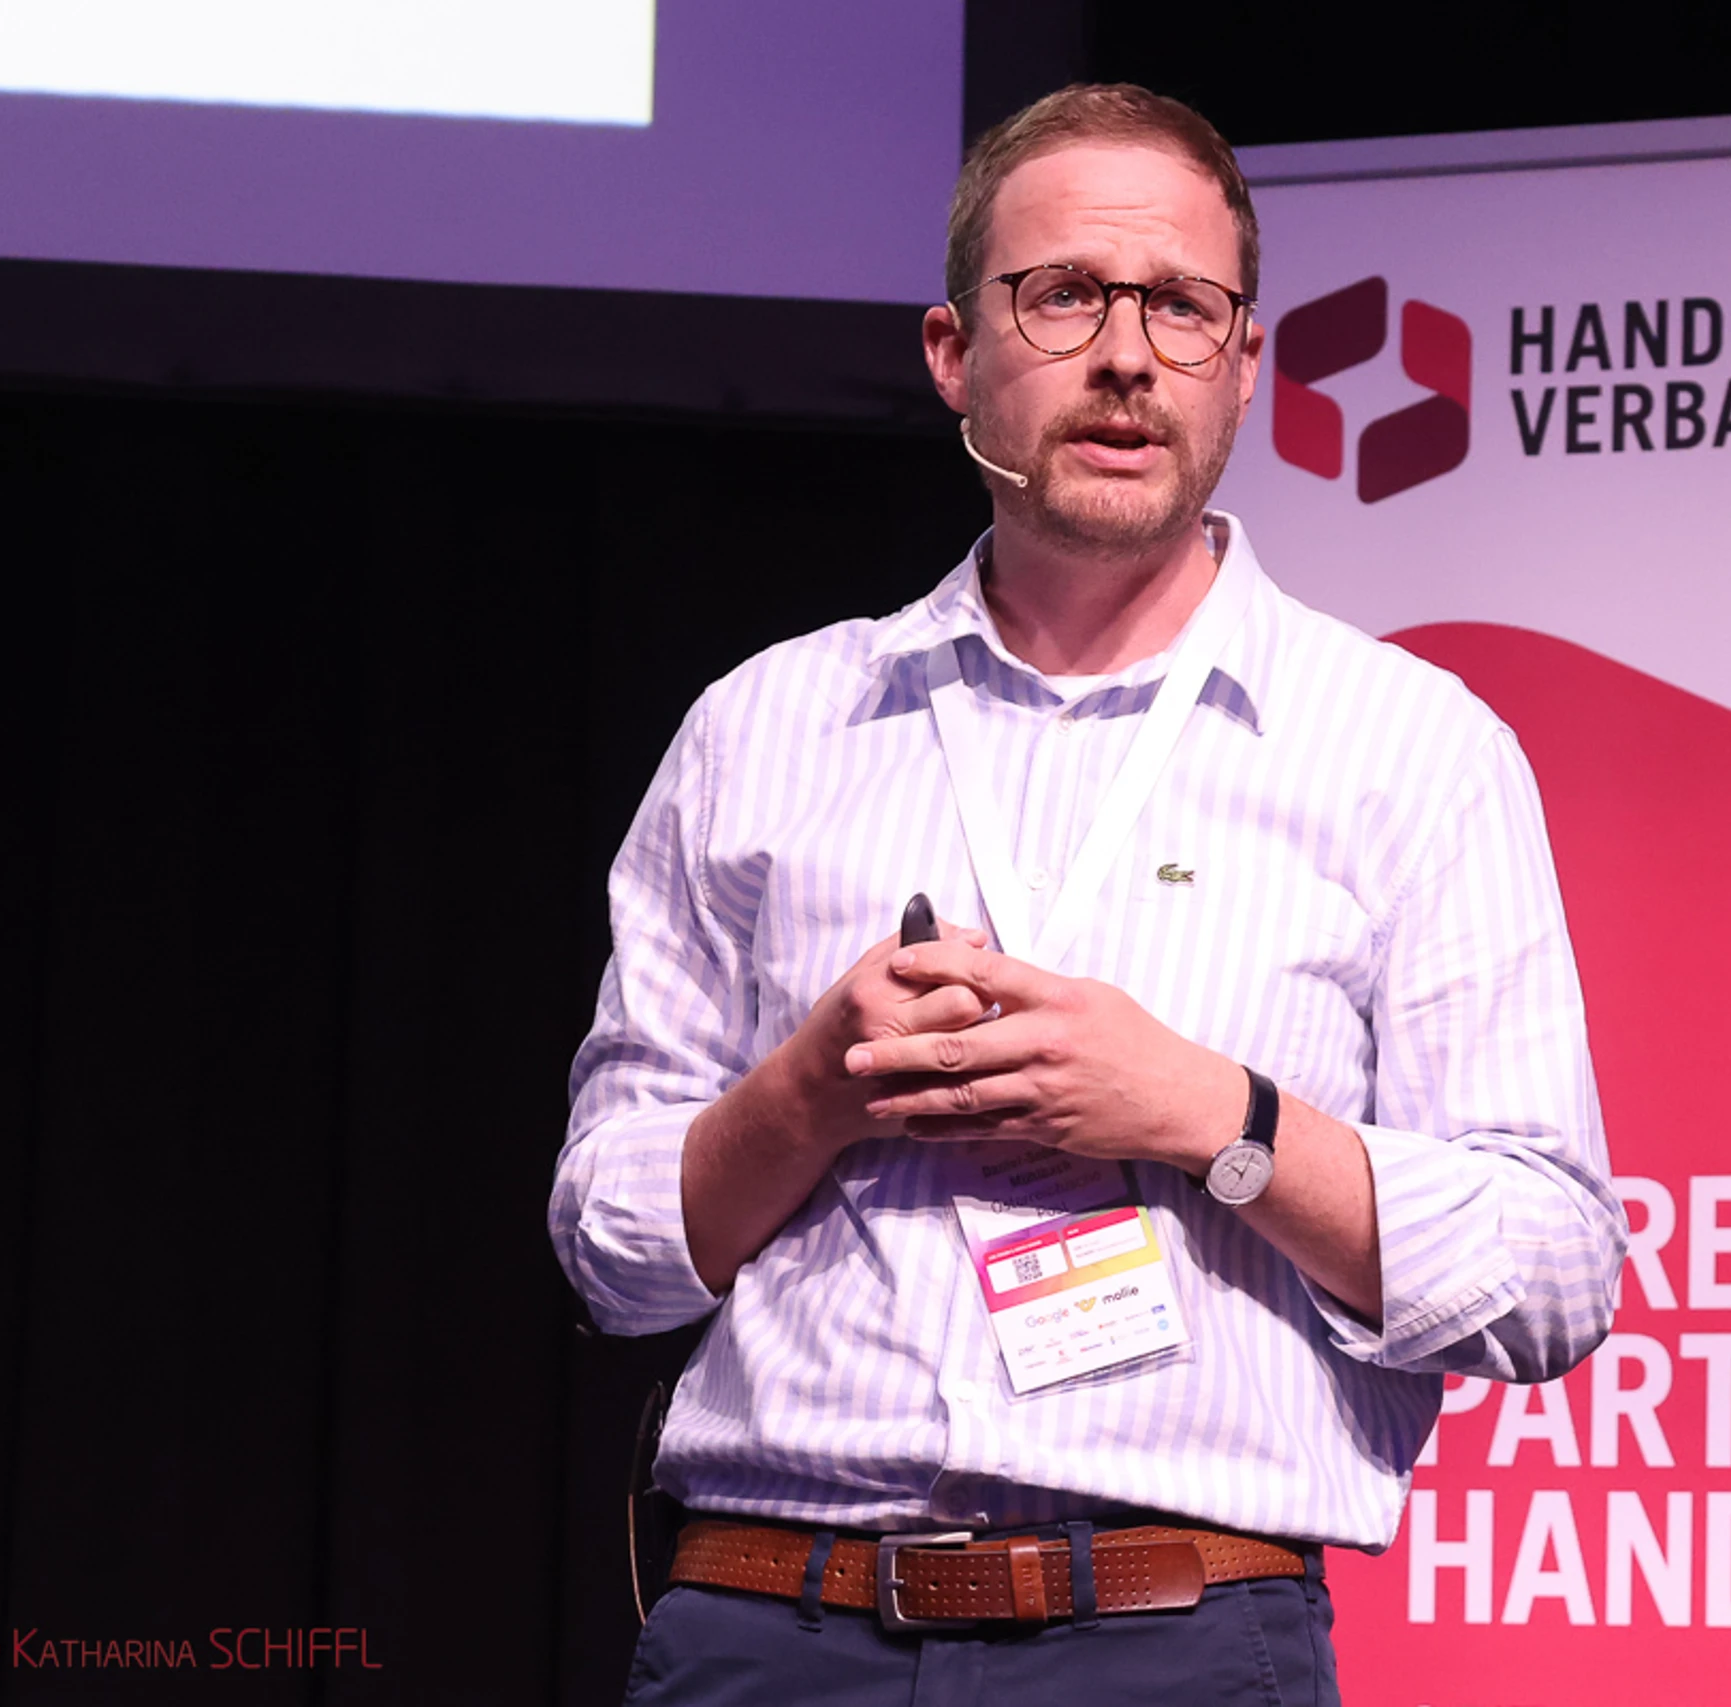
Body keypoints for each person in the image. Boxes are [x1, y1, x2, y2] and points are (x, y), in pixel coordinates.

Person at [551, 83, 1627, 1706]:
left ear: (1245, 363)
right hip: (770, 1626)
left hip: (1175, 1637)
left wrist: (1210, 1113)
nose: (1127, 354)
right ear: (952, 351)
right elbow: (610, 1249)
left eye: (1181, 305)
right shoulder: (765, 728)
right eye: (1063, 294)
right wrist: (811, 1089)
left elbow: (1549, 1271)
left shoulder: (1412, 750)